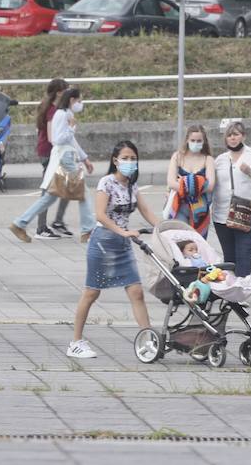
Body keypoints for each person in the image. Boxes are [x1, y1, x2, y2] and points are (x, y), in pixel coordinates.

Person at [66, 141, 160, 359]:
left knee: (136, 292)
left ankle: (147, 340)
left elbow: (146, 211)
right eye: (125, 158)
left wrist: (164, 228)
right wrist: (122, 231)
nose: (129, 162)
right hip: (103, 243)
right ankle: (75, 342)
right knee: (91, 292)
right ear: (115, 161)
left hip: (123, 244)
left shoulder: (132, 186)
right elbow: (99, 214)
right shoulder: (106, 183)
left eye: (133, 158)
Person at [12, 87, 96, 244]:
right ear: (72, 100)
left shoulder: (66, 114)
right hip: (65, 158)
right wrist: (71, 128)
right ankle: (88, 230)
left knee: (50, 197)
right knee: (83, 193)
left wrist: (85, 159)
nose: (80, 104)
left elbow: (72, 141)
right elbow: (58, 139)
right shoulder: (62, 115)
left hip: (66, 156)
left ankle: (20, 223)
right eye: (79, 100)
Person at [209, 121, 251, 276]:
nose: (232, 138)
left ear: (243, 136)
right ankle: (231, 291)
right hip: (222, 215)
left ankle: (242, 291)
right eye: (229, 135)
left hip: (250, 214)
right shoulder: (220, 160)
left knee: (243, 253)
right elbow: (211, 184)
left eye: (236, 134)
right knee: (229, 257)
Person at [33, 77, 72, 240]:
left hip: (51, 152)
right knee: (48, 190)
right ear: (59, 92)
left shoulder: (51, 108)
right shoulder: (52, 110)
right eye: (67, 91)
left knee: (68, 185)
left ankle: (57, 222)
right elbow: (51, 136)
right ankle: (41, 228)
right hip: (51, 153)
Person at [166, 125, 215, 237]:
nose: (195, 143)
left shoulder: (208, 159)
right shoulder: (177, 157)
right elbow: (171, 182)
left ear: (204, 141)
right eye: (193, 140)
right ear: (187, 140)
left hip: (201, 211)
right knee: (181, 241)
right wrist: (198, 184)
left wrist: (183, 183)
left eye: (199, 141)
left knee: (198, 243)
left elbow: (211, 185)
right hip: (180, 207)